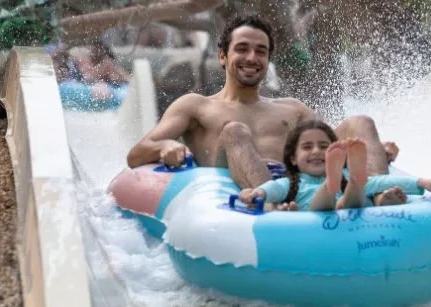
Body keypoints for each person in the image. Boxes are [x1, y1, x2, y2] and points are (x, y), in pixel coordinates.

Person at [126, 14, 398, 195]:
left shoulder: (293, 109)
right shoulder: (196, 106)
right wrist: (166, 146)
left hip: (297, 188)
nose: (252, 58)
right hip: (242, 195)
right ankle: (270, 203)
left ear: (268, 60)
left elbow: (328, 148)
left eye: (261, 51)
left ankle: (381, 195)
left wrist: (369, 149)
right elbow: (137, 154)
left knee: (360, 123)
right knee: (234, 130)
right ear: (222, 56)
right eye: (242, 49)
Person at [237, 120, 431, 211]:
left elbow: (381, 182)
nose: (316, 151)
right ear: (293, 158)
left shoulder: (344, 176)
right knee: (331, 201)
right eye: (307, 147)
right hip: (318, 214)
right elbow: (271, 189)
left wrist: (421, 182)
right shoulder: (292, 183)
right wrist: (258, 193)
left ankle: (354, 183)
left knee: (361, 187)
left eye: (324, 147)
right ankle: (332, 185)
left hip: (349, 204)